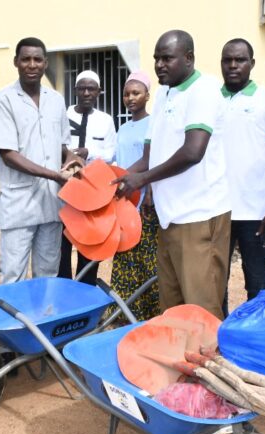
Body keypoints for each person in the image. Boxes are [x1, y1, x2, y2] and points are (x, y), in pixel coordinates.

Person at [115, 30, 230, 319]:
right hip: (169, 217)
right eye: (157, 58)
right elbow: (149, 157)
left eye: (167, 58)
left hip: (199, 216)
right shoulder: (164, 94)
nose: (159, 65)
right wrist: (114, 179)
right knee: (172, 308)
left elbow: (193, 152)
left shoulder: (204, 89)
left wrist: (143, 180)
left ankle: (208, 352)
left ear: (189, 58)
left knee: (201, 309)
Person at [0, 37, 80, 284]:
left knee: (48, 275)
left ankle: (44, 311)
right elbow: (8, 155)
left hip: (51, 203)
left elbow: (61, 146)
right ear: (16, 62)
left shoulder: (56, 100)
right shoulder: (2, 100)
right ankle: (13, 313)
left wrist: (72, 158)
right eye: (25, 59)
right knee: (13, 275)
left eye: (37, 59)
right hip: (19, 204)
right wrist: (54, 175)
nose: (32, 65)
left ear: (45, 63)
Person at [220, 38, 265, 308]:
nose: (233, 65)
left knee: (257, 282)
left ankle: (258, 330)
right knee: (215, 281)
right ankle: (219, 330)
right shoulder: (212, 100)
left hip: (257, 212)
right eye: (227, 60)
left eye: (240, 60)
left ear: (252, 63)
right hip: (217, 210)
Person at [58, 70, 117, 285]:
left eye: (91, 89)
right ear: (75, 90)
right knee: (61, 244)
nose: (86, 93)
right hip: (64, 191)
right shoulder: (63, 116)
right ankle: (63, 287)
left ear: (99, 92)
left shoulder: (105, 120)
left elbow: (111, 153)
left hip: (92, 192)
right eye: (82, 88)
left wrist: (89, 152)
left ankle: (86, 288)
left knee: (90, 243)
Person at [110, 70, 159, 321]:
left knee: (147, 259)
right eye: (127, 94)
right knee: (125, 254)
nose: (130, 98)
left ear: (147, 96)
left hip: (146, 202)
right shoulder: (123, 128)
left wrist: (149, 190)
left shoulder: (154, 124)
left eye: (136, 93)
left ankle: (151, 315)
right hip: (124, 202)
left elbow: (154, 161)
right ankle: (125, 314)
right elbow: (117, 160)